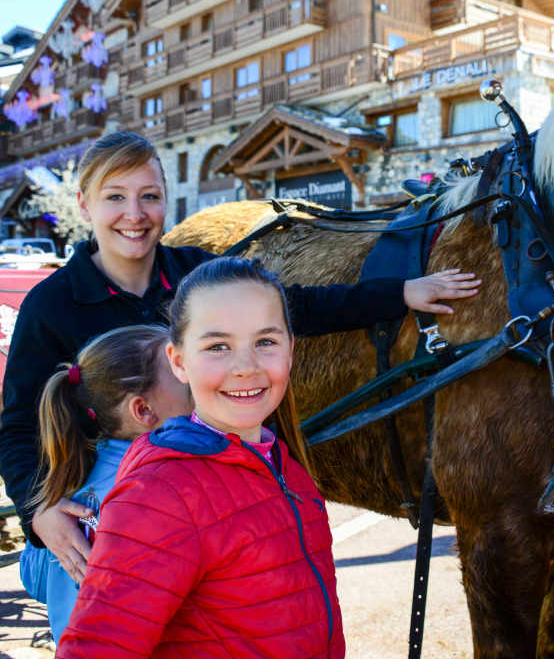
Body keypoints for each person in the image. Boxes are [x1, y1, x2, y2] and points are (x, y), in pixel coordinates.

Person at [0, 130, 480, 583]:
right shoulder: (51, 305)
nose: (135, 213)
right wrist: (38, 512)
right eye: (115, 197)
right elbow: (18, 425)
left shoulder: (197, 274)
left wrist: (401, 293)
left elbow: (298, 306)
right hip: (108, 508)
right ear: (84, 204)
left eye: (149, 195)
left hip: (198, 489)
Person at [58, 257, 345, 657]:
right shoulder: (160, 494)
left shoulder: (286, 466)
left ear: (290, 350)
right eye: (217, 346)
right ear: (179, 362)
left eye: (265, 342)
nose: (245, 367)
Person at [19, 324, 190, 644]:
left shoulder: (66, 481)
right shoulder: (159, 489)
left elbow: (34, 580)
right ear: (143, 410)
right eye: (180, 368)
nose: (195, 374)